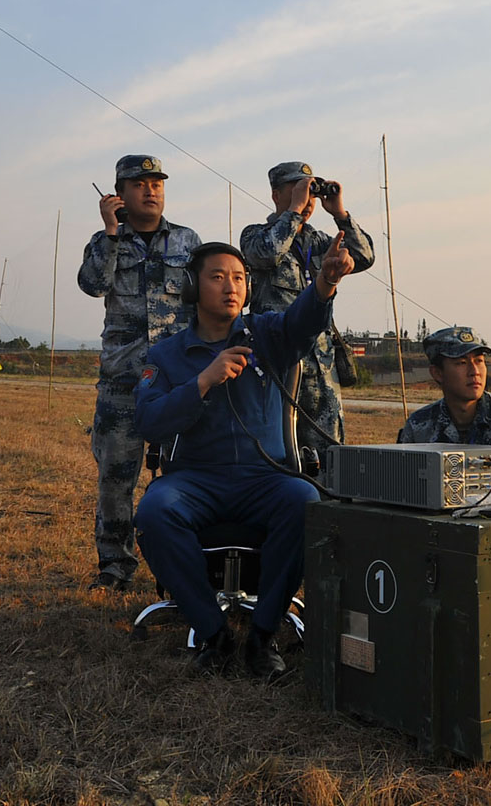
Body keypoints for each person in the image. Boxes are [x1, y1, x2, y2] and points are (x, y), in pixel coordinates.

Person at [132, 237, 355, 678]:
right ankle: (213, 633)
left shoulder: (268, 334)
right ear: (193, 288)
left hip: (264, 477)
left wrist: (326, 282)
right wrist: (201, 382)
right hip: (195, 480)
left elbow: (303, 321)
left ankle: (263, 635)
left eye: (238, 278)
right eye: (217, 277)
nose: (230, 287)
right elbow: (148, 421)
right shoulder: (166, 355)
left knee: (306, 502)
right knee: (155, 511)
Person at [77, 155, 202, 592]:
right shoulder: (103, 242)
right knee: (116, 480)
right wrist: (112, 233)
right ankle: (115, 567)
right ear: (119, 194)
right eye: (140, 183)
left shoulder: (188, 241)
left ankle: (185, 565)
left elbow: (203, 301)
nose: (151, 190)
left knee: (187, 477)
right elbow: (93, 284)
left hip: (177, 383)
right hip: (123, 385)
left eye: (157, 183)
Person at [240, 162, 374, 464]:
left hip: (322, 370)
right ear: (276, 195)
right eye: (298, 189)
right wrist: (295, 212)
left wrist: (340, 214)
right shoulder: (255, 235)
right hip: (278, 367)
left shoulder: (319, 242)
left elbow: (365, 257)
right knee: (277, 456)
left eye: (311, 191)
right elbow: (265, 254)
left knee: (331, 460)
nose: (308, 198)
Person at [399, 326, 491, 446]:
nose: (474, 372)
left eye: (479, 361)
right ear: (437, 373)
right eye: (461, 363)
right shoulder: (418, 427)